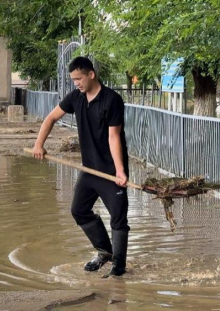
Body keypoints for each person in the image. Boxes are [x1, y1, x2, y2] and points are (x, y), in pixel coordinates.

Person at [32, 57, 129, 276]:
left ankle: (119, 269)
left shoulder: (112, 100)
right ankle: (105, 253)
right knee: (79, 211)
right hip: (89, 170)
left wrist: (120, 171)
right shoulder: (76, 97)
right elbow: (50, 118)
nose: (76, 83)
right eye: (73, 79)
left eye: (79, 78)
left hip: (111, 172)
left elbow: (114, 137)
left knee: (118, 219)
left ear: (91, 74)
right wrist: (39, 144)